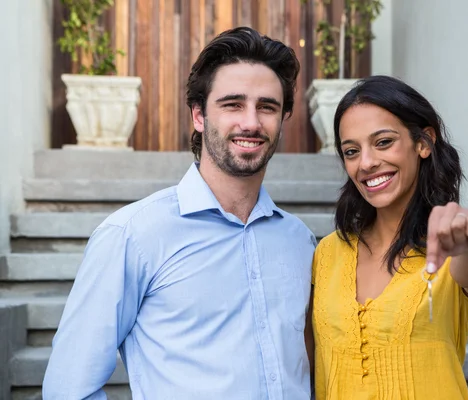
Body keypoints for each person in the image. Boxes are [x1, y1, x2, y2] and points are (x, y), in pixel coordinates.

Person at [43, 27, 316, 399]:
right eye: (233, 104)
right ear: (199, 115)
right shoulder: (133, 235)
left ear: (283, 118)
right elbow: (69, 388)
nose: (251, 122)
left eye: (267, 106)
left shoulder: (299, 241)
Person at [307, 75, 468, 399]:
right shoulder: (327, 253)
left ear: (423, 143)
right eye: (351, 151)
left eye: (383, 142)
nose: (366, 163)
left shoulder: (454, 243)